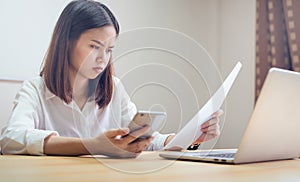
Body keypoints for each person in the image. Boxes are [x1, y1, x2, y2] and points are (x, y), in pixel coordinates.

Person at [0, 0, 223, 158]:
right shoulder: (35, 90)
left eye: (109, 50)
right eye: (95, 47)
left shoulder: (114, 89)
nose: (102, 58)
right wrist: (91, 146)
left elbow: (145, 141)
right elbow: (11, 139)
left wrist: (188, 137)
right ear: (66, 42)